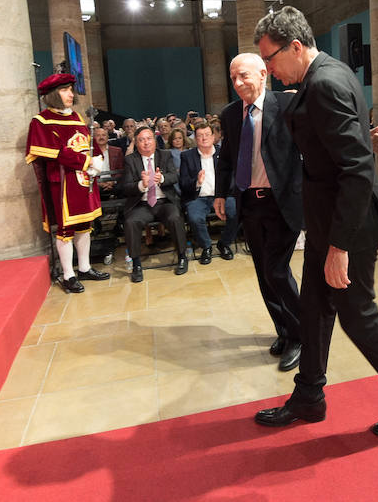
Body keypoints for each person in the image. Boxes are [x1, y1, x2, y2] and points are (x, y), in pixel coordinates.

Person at [253, 6, 378, 439]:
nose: (269, 69)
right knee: (314, 308)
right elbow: (342, 144)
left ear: (295, 47)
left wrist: (338, 246)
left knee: (358, 316)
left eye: (270, 59)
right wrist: (362, 139)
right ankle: (308, 396)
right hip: (329, 219)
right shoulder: (329, 72)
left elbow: (355, 169)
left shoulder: (324, 83)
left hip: (348, 225)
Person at [215, 53, 304, 372]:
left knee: (277, 270)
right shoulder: (230, 114)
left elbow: (321, 135)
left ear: (264, 74)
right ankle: (284, 330)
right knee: (264, 273)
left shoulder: (288, 103)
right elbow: (226, 158)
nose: (238, 83)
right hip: (249, 204)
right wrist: (221, 193)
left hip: (282, 203)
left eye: (244, 75)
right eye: (233, 77)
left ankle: (301, 335)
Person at [26, 73, 109, 293]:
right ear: (53, 94)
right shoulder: (41, 121)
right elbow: (56, 152)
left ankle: (84, 268)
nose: (70, 94)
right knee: (66, 229)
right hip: (63, 183)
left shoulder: (76, 117)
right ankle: (68, 274)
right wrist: (87, 161)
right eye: (65, 90)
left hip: (84, 179)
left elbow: (89, 143)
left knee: (85, 226)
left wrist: (98, 158)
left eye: (71, 90)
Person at [121, 126, 189, 283]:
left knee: (175, 217)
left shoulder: (165, 155)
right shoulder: (130, 160)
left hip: (164, 202)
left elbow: (174, 176)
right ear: (136, 143)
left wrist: (162, 179)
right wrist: (141, 184)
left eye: (149, 138)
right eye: (141, 140)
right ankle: (136, 264)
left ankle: (182, 257)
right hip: (142, 204)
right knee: (131, 222)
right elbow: (125, 187)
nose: (146, 143)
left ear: (155, 140)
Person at [179, 121, 239, 264]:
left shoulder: (224, 153)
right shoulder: (187, 156)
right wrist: (197, 182)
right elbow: (183, 183)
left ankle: (224, 243)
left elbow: (233, 178)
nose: (204, 138)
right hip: (198, 197)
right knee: (195, 218)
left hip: (222, 196)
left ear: (213, 137)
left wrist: (223, 193)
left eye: (207, 134)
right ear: (195, 138)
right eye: (200, 135)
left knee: (237, 212)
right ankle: (206, 247)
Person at [92, 127, 123, 199]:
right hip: (96, 184)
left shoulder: (117, 151)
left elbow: (121, 169)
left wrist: (112, 182)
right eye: (98, 135)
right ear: (94, 138)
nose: (101, 137)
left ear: (108, 137)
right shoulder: (89, 153)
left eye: (103, 135)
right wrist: (99, 183)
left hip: (114, 183)